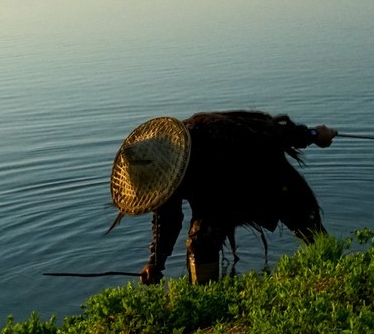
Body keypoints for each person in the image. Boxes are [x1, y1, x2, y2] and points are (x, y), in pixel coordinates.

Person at [108, 110, 337, 284]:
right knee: (200, 242)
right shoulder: (160, 178)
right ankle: (208, 301)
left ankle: (336, 275)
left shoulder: (213, 132)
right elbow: (167, 220)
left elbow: (275, 131)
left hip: (273, 182)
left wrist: (315, 134)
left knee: (314, 236)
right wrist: (155, 263)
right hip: (217, 202)